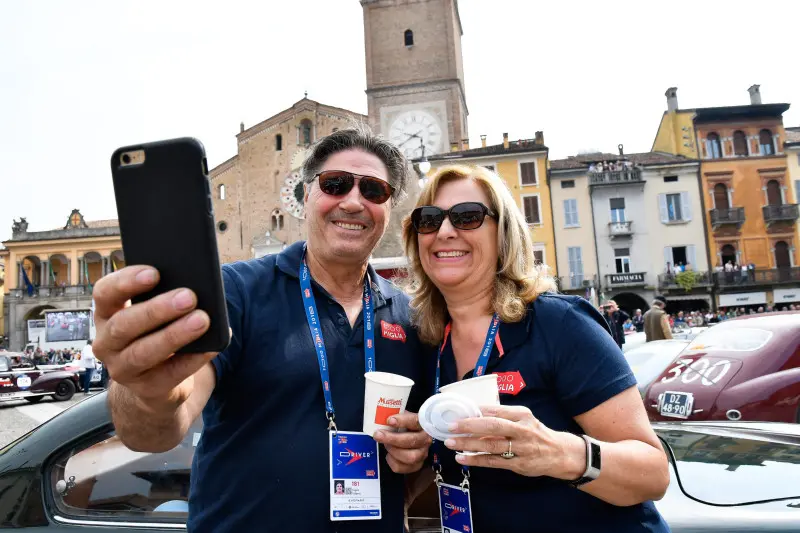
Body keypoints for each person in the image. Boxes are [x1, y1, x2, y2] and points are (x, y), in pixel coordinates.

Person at [93, 126, 433, 533]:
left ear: (389, 208)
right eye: (336, 184)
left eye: (374, 191)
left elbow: (427, 448)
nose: (354, 202)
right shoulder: (236, 292)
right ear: (307, 196)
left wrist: (417, 450)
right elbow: (154, 431)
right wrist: (149, 393)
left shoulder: (411, 316)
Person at [401, 165, 670, 532]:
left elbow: (653, 474)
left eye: (467, 217)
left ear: (504, 234)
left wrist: (557, 452)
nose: (445, 231)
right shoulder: (428, 342)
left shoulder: (559, 324)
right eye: (429, 220)